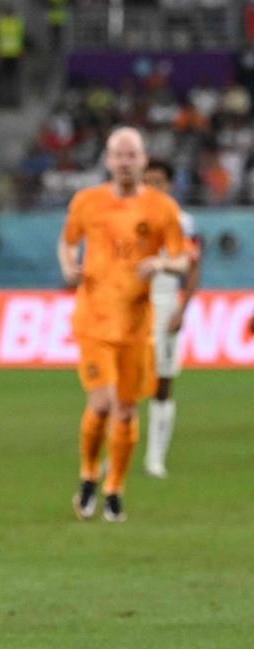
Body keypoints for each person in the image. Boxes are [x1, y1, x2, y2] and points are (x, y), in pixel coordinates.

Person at [58, 128, 188, 523]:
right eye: (119, 154)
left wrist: (163, 263)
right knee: (100, 404)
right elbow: (67, 242)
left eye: (132, 155)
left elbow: (183, 259)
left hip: (136, 326)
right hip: (94, 321)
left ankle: (114, 487)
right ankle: (87, 477)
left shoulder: (162, 208)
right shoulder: (87, 201)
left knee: (127, 413)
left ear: (144, 160)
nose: (125, 161)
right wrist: (68, 266)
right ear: (108, 160)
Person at [140, 159, 201, 479]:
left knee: (162, 382)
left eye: (158, 182)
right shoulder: (127, 216)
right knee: (124, 383)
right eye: (146, 181)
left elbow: (193, 267)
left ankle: (155, 458)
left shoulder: (182, 221)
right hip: (131, 305)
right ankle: (118, 450)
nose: (152, 188)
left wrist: (182, 308)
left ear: (170, 185)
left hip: (165, 302)